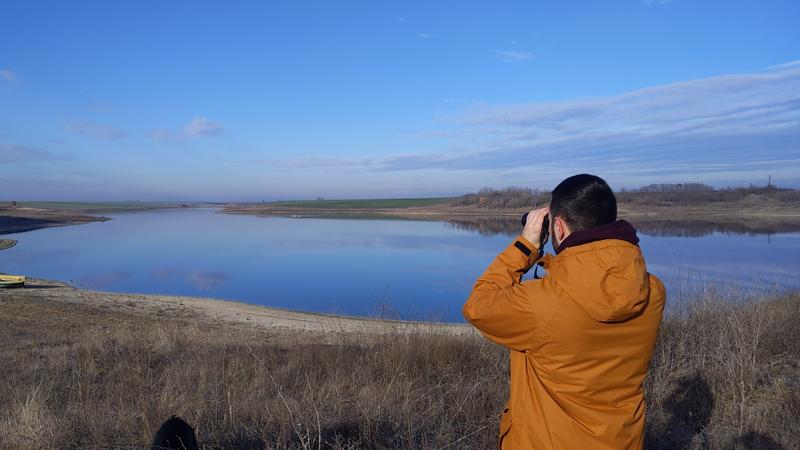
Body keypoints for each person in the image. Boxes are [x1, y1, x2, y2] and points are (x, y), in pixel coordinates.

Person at [463, 174, 665, 450]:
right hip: (621, 440)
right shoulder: (652, 291)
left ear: (557, 226)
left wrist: (526, 246)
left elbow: (478, 305)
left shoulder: (544, 304)